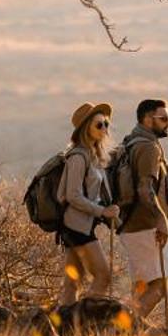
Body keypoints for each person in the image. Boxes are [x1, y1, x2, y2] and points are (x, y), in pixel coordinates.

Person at [116, 97, 168, 322]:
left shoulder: (131, 142)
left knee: (141, 287)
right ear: (146, 119)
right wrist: (161, 221)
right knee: (161, 285)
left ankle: (124, 335)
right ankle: (122, 330)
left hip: (130, 225)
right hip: (146, 226)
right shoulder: (148, 148)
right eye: (162, 118)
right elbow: (145, 189)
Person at [57, 101, 120, 305]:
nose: (105, 129)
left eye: (106, 123)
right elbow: (72, 195)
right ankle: (86, 321)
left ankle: (66, 327)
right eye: (99, 124)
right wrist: (102, 211)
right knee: (103, 276)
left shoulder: (92, 156)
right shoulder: (78, 157)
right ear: (86, 129)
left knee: (72, 282)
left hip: (77, 225)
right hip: (76, 227)